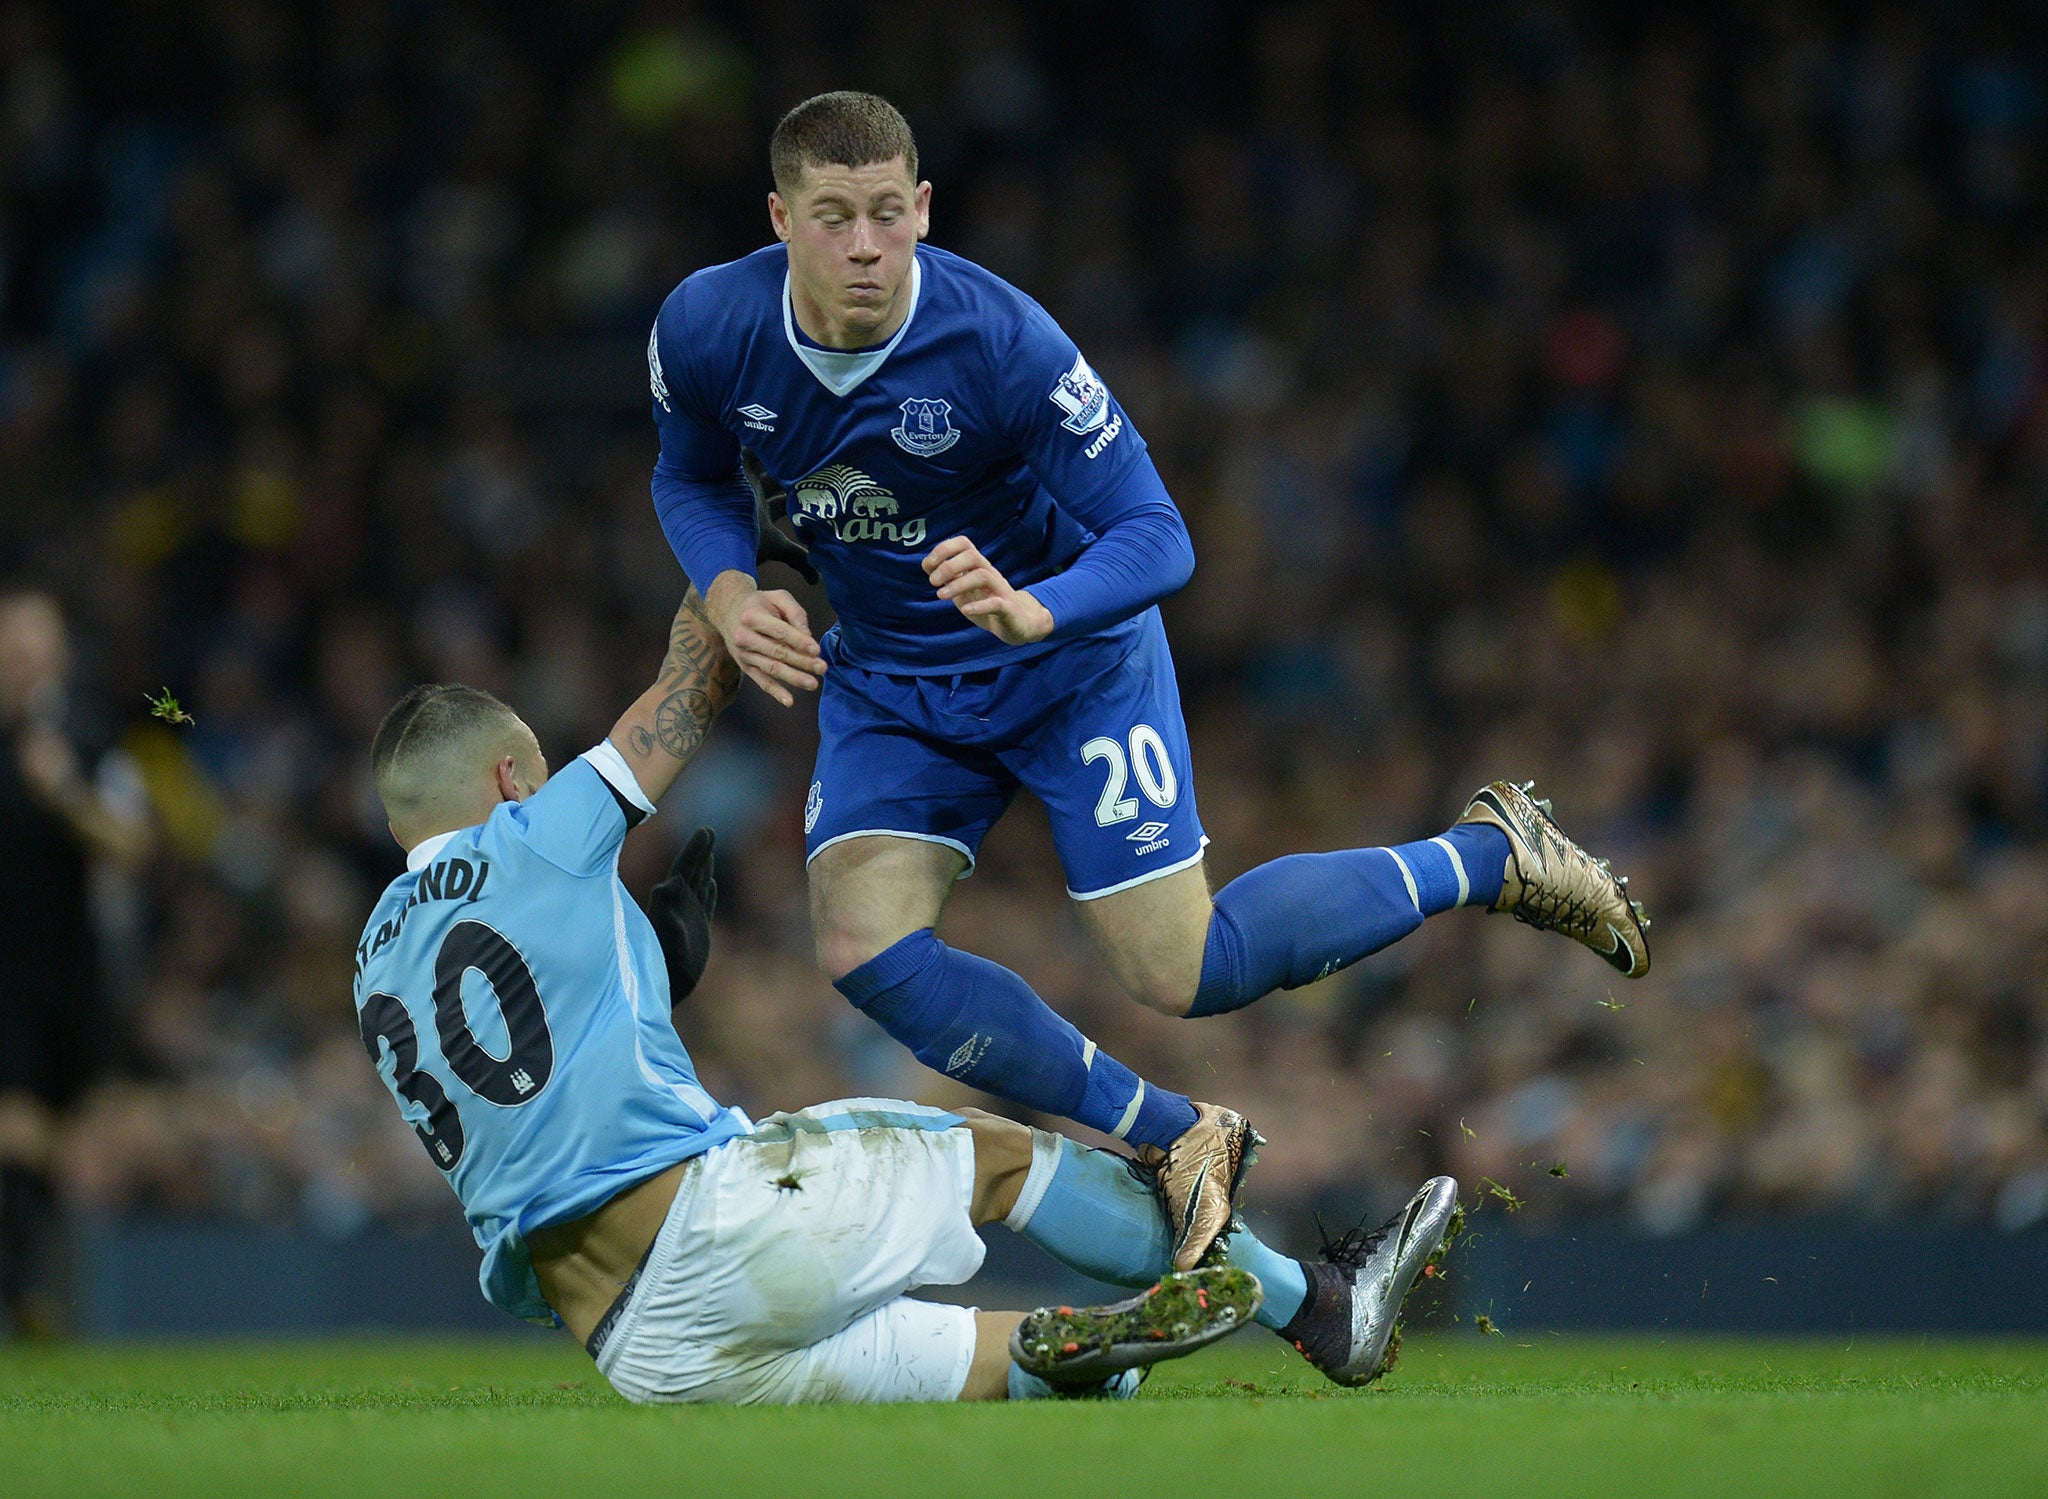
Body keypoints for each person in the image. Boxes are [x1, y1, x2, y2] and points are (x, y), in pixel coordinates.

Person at [645, 91, 1652, 1269]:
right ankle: (1178, 1136)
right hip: (893, 681)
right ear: (779, 218)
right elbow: (692, 474)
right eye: (831, 218)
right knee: (863, 949)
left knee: (1183, 973)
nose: (863, 246)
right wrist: (723, 591)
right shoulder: (705, 326)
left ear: (922, 207)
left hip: (1067, 664)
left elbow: (1156, 532)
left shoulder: (1000, 339)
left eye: (884, 213)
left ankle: (1489, 853)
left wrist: (1040, 606)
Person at [350, 587, 1460, 1404]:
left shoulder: (374, 962)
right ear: (508, 781)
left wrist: (652, 964)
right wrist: (731, 539)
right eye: (533, 774)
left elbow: (528, 1090)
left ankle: (1070, 1356)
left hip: (639, 1351)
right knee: (1000, 1157)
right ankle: (1317, 1308)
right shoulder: (533, 837)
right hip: (713, 1225)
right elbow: (694, 681)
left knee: (996, 1370)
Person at [0, 591, 152, 1338]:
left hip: (71, 966)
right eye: (12, 645)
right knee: (16, 1121)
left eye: (36, 646)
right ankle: (23, 1289)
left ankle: (39, 1293)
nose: (24, 659)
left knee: (64, 1138)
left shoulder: (89, 738)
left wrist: (64, 792)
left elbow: (133, 845)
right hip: (7, 971)